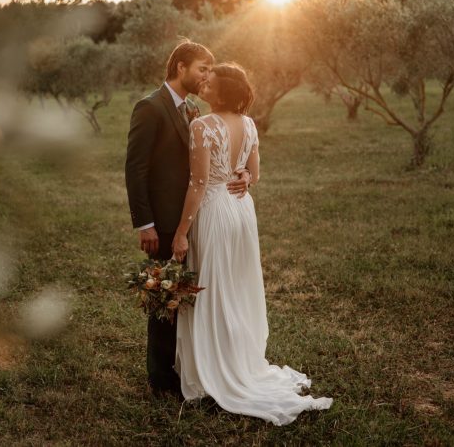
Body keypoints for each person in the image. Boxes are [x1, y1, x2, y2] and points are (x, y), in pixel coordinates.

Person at [171, 63, 333, 425]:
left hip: (214, 209)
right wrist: (242, 174)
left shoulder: (203, 126)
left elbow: (198, 184)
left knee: (210, 289)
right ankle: (238, 361)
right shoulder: (249, 124)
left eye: (209, 83)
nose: (204, 83)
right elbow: (254, 175)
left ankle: (214, 370)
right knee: (236, 286)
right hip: (241, 210)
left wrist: (181, 231)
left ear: (221, 93)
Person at [125, 41, 251, 398]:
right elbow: (135, 169)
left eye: (210, 71)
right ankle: (159, 378)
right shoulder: (150, 107)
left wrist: (242, 173)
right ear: (180, 67)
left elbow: (208, 163)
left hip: (197, 217)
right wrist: (144, 223)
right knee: (165, 297)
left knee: (189, 295)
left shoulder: (194, 110)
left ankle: (186, 367)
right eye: (201, 69)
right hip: (162, 221)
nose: (206, 76)